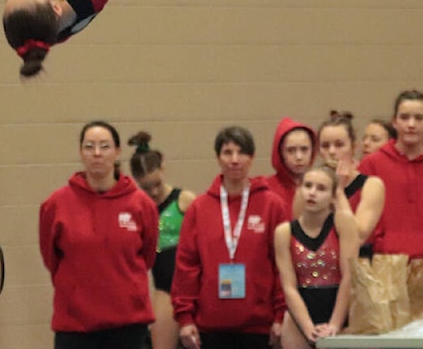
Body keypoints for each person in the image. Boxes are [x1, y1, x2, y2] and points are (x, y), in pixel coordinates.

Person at [39, 120, 159, 349]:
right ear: (81, 153)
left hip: (129, 328)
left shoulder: (141, 204)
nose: (97, 154)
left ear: (117, 152)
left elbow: (148, 256)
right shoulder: (56, 204)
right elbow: (50, 259)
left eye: (104, 146)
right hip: (75, 329)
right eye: (89, 146)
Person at [171, 126, 287, 349]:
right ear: (218, 157)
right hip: (209, 328)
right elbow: (187, 266)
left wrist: (281, 316)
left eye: (241, 153)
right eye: (227, 153)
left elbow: (282, 266)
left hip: (260, 328)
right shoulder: (199, 208)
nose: (234, 160)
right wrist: (185, 318)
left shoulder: (272, 206)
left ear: (252, 158)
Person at [358, 89, 423, 258]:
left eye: (419, 118)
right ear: (394, 122)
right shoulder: (371, 165)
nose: (411, 124)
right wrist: (381, 244)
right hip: (383, 262)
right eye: (404, 117)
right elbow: (360, 218)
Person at [274, 165, 358, 348]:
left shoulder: (343, 222)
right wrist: (307, 327)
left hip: (340, 312)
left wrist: (335, 323)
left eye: (321, 189)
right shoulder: (284, 232)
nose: (312, 193)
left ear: (332, 196)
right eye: (308, 186)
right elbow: (289, 287)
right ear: (299, 189)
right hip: (299, 318)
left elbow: (349, 276)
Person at [128, 131, 197, 349]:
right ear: (136, 182)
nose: (154, 191)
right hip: (164, 288)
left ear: (162, 169)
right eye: (146, 187)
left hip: (194, 287)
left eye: (157, 183)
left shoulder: (184, 201)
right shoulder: (138, 209)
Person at [317, 111, 385, 258]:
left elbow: (358, 236)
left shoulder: (371, 185)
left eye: (339, 145)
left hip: (358, 267)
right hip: (321, 267)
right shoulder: (311, 187)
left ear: (354, 147)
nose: (332, 152)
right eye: (325, 146)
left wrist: (339, 192)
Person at [266, 117, 317, 215]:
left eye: (304, 149)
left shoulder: (321, 187)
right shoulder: (266, 189)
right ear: (280, 153)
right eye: (291, 150)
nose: (299, 157)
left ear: (313, 151)